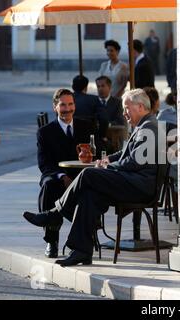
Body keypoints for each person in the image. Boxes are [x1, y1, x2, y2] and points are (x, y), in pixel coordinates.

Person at [23, 89, 160, 267]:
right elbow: (125, 154)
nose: (124, 113)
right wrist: (108, 159)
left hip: (139, 187)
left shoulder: (149, 128)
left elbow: (134, 163)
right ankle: (82, 251)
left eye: (127, 108)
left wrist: (107, 166)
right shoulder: (144, 126)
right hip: (132, 181)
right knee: (89, 196)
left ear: (140, 107)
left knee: (88, 173)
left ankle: (54, 213)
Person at [36, 89, 94, 258]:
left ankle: (82, 242)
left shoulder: (86, 127)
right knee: (48, 186)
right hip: (56, 176)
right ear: (55, 107)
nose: (67, 109)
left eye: (70, 104)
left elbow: (98, 153)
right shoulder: (45, 132)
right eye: (63, 105)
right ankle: (51, 241)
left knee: (92, 189)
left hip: (82, 176)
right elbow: (44, 164)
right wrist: (62, 176)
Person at [72, 75, 107, 154]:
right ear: (86, 87)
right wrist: (102, 135)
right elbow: (104, 119)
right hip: (91, 141)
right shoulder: (93, 99)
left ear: (73, 86)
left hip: (70, 139)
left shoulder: (67, 100)